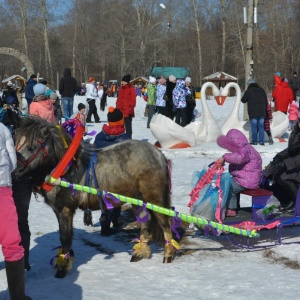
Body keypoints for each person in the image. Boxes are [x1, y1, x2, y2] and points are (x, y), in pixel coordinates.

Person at [0, 122, 32, 300]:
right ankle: (18, 296)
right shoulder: (3, 129)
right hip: (2, 189)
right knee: (12, 243)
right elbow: (12, 163)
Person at [94, 107, 130, 235]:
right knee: (117, 197)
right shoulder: (125, 139)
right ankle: (116, 219)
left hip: (101, 174)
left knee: (105, 198)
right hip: (119, 175)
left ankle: (105, 223)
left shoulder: (99, 137)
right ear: (121, 122)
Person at [216, 129, 262, 217]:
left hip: (248, 180)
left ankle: (231, 210)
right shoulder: (245, 148)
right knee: (230, 183)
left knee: (230, 187)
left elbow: (239, 159)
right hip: (246, 178)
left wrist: (225, 157)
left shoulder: (244, 149)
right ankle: (234, 206)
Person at [264, 118, 300, 213]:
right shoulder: (297, 132)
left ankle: (297, 201)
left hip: (297, 165)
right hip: (295, 164)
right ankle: (286, 200)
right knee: (271, 172)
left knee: (284, 176)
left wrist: (285, 164)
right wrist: (279, 157)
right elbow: (290, 150)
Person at [241, 78, 268, 145]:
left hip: (253, 112)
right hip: (262, 111)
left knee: (254, 126)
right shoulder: (261, 90)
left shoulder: (248, 91)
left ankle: (254, 141)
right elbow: (266, 101)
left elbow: (243, 100)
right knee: (261, 126)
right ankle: (261, 141)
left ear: (248, 85)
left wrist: (245, 93)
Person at [116, 74, 136, 139]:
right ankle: (121, 138)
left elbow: (133, 100)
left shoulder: (131, 89)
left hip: (127, 110)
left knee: (128, 126)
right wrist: (117, 107)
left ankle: (129, 139)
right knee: (120, 126)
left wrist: (130, 109)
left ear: (127, 82)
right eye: (122, 81)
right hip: (120, 110)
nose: (122, 82)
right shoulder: (121, 88)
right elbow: (119, 99)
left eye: (124, 81)